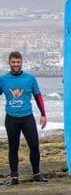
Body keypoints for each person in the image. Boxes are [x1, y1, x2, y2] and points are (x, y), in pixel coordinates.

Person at [0, 52, 47, 184]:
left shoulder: (30, 78)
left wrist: (43, 114)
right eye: (13, 62)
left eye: (18, 62)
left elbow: (38, 96)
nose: (16, 64)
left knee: (34, 146)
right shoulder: (3, 79)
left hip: (27, 118)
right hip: (11, 119)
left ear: (21, 63)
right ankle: (14, 177)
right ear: (9, 63)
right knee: (13, 148)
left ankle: (37, 174)